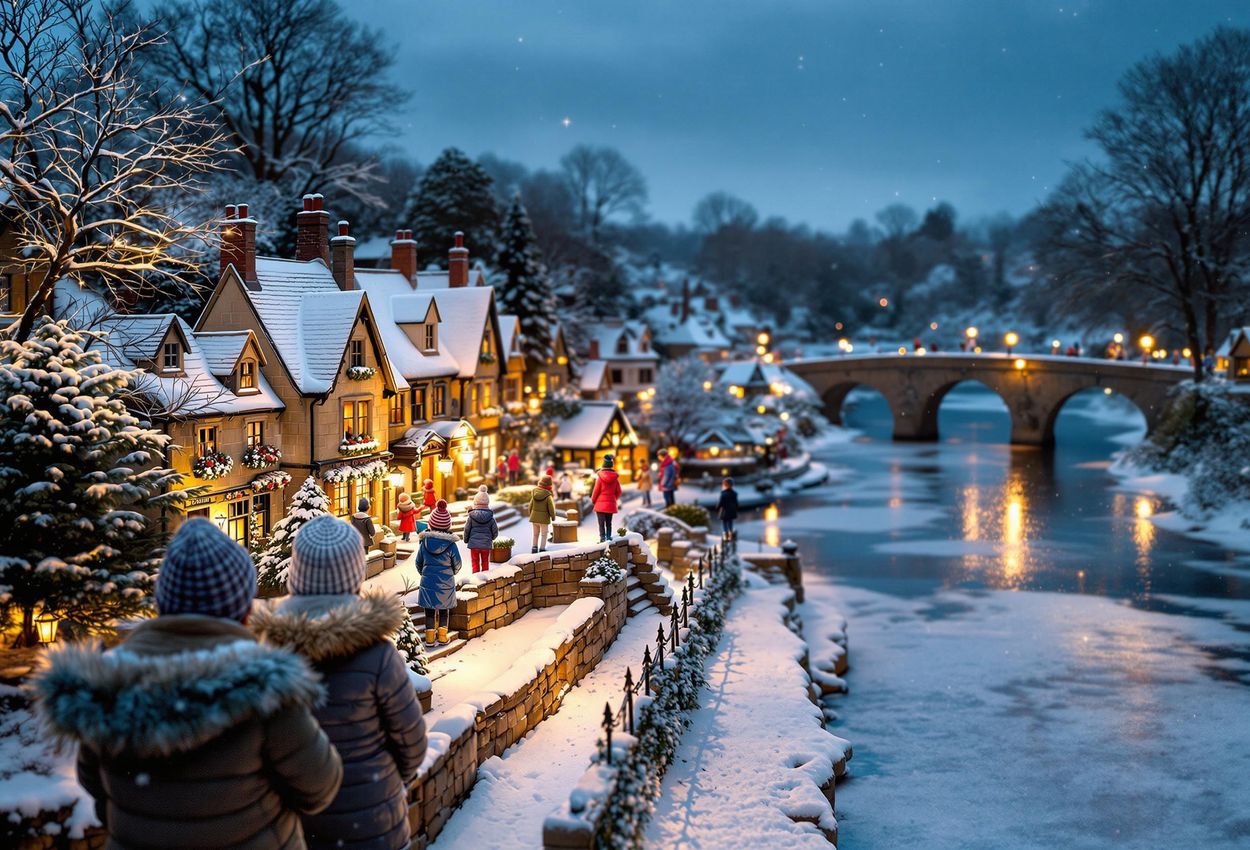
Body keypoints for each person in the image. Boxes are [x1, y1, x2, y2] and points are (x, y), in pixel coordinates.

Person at [32, 519, 342, 850]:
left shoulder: (105, 684)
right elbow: (319, 788)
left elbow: (95, 783)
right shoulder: (266, 686)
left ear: (165, 603)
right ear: (242, 609)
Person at [251, 515, 427, 850]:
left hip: (295, 823)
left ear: (297, 575)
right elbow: (412, 742)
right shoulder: (378, 655)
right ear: (355, 574)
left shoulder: (265, 652)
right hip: (372, 823)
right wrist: (385, 785)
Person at [416, 500, 460, 645]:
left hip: (428, 581)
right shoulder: (451, 545)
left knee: (429, 610)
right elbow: (457, 564)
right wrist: (451, 573)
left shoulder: (424, 543)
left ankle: (429, 639)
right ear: (447, 525)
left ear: (431, 524)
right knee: (443, 610)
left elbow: (418, 562)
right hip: (445, 583)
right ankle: (442, 637)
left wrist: (424, 573)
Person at [462, 485, 498, 573]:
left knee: (475, 562)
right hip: (486, 544)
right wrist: (491, 538)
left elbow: (467, 530)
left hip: (474, 544)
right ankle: (485, 581)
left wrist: (466, 540)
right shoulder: (491, 517)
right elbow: (495, 531)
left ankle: (476, 580)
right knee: (485, 562)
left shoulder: (471, 517)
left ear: (475, 502)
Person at [590, 454, 622, 543]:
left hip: (600, 505)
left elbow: (595, 492)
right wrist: (613, 498)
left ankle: (602, 538)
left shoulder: (599, 479)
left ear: (603, 466)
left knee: (601, 524)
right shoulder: (615, 479)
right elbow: (619, 492)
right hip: (610, 504)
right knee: (609, 523)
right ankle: (608, 537)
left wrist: (593, 500)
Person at [529, 474, 556, 553]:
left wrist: (531, 514)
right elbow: (551, 508)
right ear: (549, 485)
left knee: (535, 534)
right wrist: (553, 517)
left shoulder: (534, 492)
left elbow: (530, 505)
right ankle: (542, 548)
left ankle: (534, 547)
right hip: (544, 519)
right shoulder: (548, 495)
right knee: (544, 534)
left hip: (534, 518)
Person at [717, 477, 740, 543]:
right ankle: (731, 536)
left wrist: (717, 508)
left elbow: (720, 503)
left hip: (724, 511)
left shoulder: (723, 494)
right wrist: (736, 509)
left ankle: (726, 537)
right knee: (730, 523)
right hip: (732, 511)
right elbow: (736, 503)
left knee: (724, 523)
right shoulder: (734, 493)